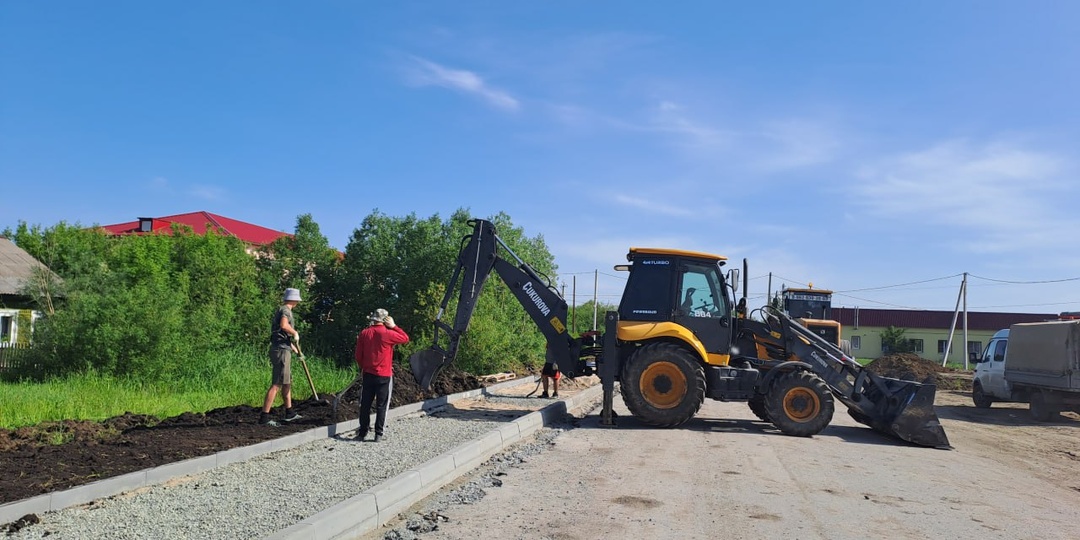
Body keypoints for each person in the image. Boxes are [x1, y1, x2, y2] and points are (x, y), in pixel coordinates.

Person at [354, 308, 409, 442]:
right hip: (384, 375)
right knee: (382, 405)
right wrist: (394, 326)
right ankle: (378, 434)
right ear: (385, 320)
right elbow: (405, 338)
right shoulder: (388, 333)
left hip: (368, 373)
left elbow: (358, 356)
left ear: (373, 319)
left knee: (365, 404)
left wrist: (363, 367)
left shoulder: (364, 333)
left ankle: (362, 433)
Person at [260, 288, 304, 426]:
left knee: (287, 382)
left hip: (283, 348)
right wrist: (294, 332)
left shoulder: (283, 310)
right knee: (277, 383)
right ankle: (264, 417)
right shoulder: (285, 310)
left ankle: (289, 412)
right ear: (294, 299)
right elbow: (284, 326)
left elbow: (283, 337)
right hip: (281, 351)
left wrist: (297, 351)